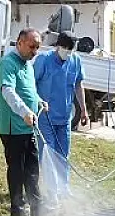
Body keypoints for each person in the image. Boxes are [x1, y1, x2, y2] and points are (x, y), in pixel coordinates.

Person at [0, 28, 49, 216]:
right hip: (13, 126)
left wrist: (39, 101)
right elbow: (8, 91)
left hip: (28, 127)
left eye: (37, 48)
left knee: (32, 168)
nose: (35, 51)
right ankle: (17, 212)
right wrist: (25, 111)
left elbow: (28, 90)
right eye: (31, 46)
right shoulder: (7, 63)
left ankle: (37, 207)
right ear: (19, 43)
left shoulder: (27, 65)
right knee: (17, 170)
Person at [33, 31, 89, 205]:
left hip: (64, 118)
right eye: (65, 48)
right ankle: (52, 192)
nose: (68, 52)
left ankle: (64, 188)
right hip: (46, 117)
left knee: (63, 154)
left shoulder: (75, 61)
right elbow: (31, 84)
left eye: (71, 50)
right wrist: (36, 103)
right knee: (48, 154)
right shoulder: (44, 60)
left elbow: (78, 85)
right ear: (58, 46)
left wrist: (84, 110)